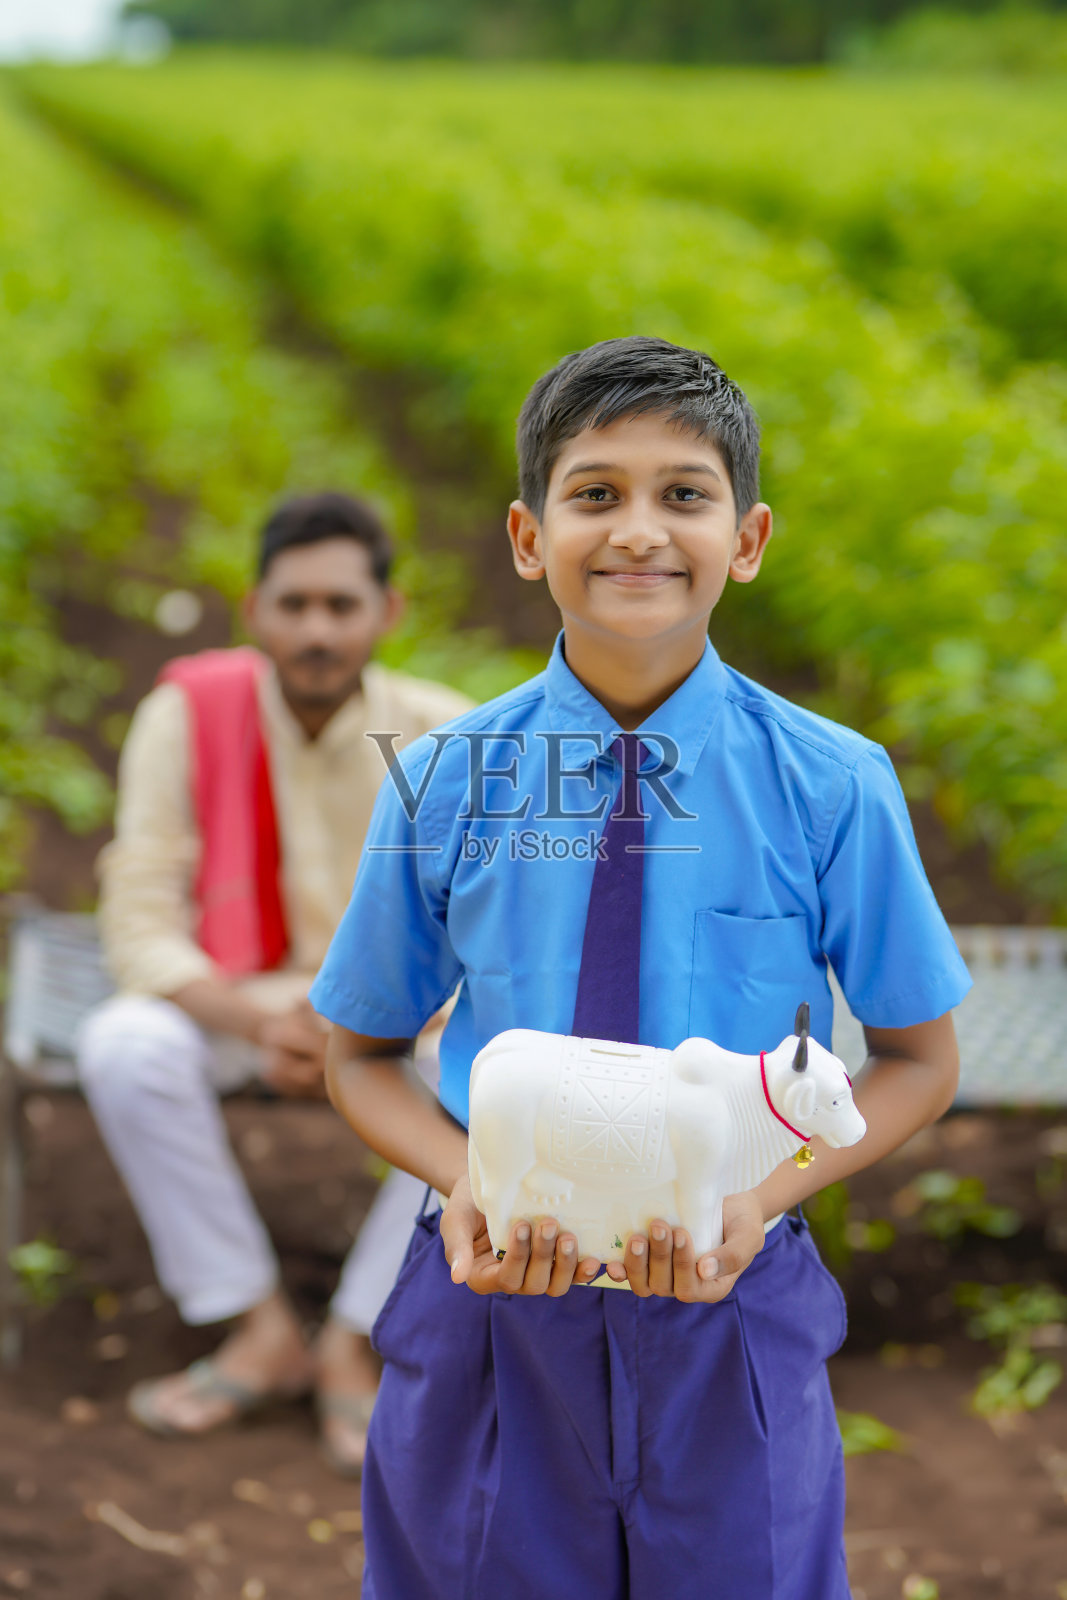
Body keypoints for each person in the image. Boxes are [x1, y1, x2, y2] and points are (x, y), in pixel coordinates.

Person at [310, 338, 971, 1596]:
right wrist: (470, 1184)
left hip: (728, 1311)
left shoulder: (830, 783)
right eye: (594, 492)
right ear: (524, 533)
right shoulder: (448, 779)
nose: (638, 532)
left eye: (683, 493)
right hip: (491, 1301)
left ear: (749, 535)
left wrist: (758, 1200)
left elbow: (920, 1058)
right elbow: (359, 1052)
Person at [75, 490, 473, 1475]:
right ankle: (255, 1322)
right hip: (237, 1001)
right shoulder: (190, 716)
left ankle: (354, 1336)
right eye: (294, 605)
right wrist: (257, 1020)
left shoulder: (448, 736)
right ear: (253, 610)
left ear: (389, 611)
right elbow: (138, 912)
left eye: (341, 605)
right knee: (123, 1045)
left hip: (392, 1018)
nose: (316, 629)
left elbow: (488, 937)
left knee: (493, 1078)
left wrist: (356, 1031)